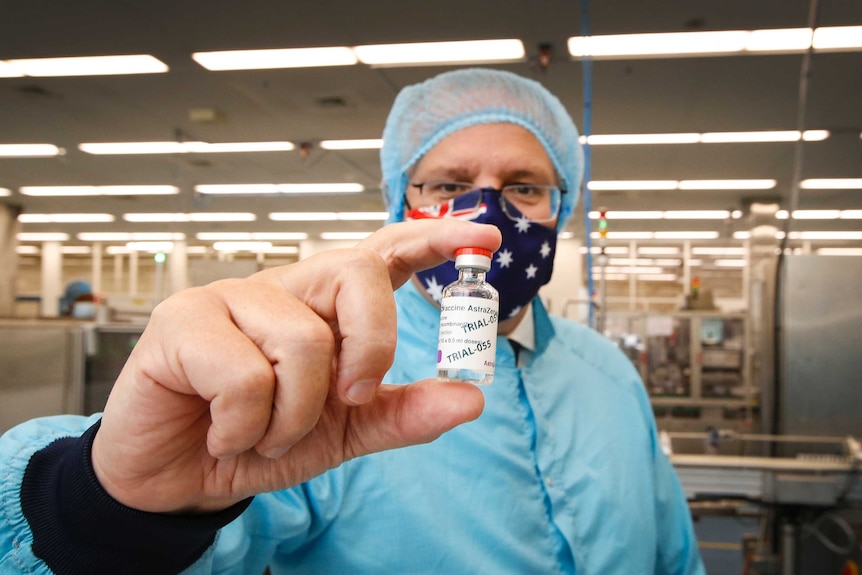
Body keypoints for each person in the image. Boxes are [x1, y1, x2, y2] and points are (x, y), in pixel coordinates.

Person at [0, 69, 705, 574]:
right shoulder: (330, 373)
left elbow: (674, 554)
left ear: (564, 207)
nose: (487, 214)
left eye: (524, 187)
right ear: (403, 204)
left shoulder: (606, 371)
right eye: (450, 187)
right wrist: (107, 503)